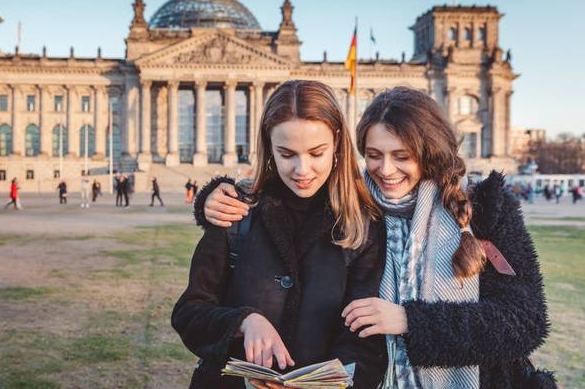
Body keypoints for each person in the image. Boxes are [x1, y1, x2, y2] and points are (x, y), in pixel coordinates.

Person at [198, 86, 553, 388]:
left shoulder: (484, 207)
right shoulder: (354, 203)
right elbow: (286, 197)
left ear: (429, 151)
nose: (386, 170)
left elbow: (525, 321)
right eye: (373, 155)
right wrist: (213, 197)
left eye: (402, 156)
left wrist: (410, 322)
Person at [172, 80, 387, 389]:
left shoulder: (363, 223)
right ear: (268, 147)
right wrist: (243, 321)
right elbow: (190, 312)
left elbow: (363, 339)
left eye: (316, 153)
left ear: (337, 143)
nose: (302, 169)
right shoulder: (237, 209)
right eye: (287, 154)